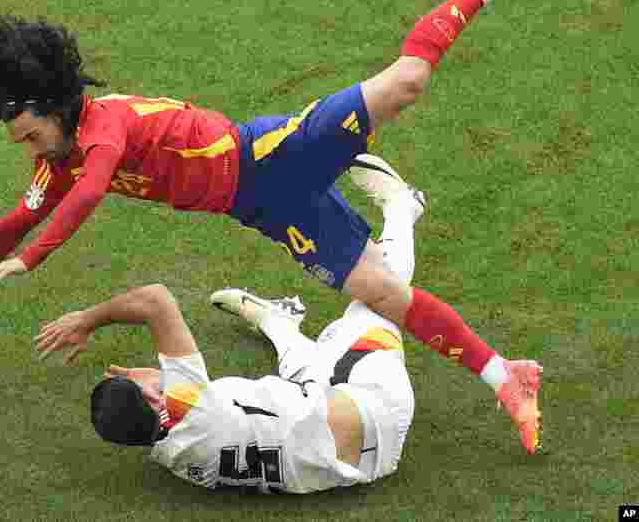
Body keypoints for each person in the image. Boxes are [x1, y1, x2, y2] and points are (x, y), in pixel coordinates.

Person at [0, 0, 550, 453]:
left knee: (406, 82)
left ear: (54, 111)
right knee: (381, 296)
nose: (31, 150)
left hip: (271, 153)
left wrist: (32, 263)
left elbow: (89, 192)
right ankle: (508, 380)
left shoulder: (103, 130)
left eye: (31, 134)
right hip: (266, 208)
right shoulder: (58, 155)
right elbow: (16, 218)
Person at [33, 178, 425, 493]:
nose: (150, 374)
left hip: (353, 460)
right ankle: (404, 208)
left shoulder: (174, 456)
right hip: (380, 408)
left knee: (300, 380)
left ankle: (277, 321)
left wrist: (144, 387)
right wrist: (88, 320)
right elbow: (155, 301)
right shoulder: (188, 407)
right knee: (376, 299)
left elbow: (178, 406)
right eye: (148, 383)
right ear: (155, 400)